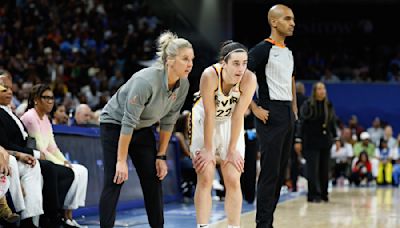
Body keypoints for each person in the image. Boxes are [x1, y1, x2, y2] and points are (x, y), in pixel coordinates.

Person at [99, 31, 193, 228]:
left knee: (153, 178)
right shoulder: (146, 81)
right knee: (115, 179)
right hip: (116, 125)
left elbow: (169, 121)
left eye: (191, 59)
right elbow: (128, 121)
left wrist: (161, 156)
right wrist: (121, 161)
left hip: (143, 128)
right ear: (170, 60)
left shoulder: (183, 84)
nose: (190, 64)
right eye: (185, 59)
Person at [190, 40, 257, 228]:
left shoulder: (250, 79)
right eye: (236, 63)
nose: (241, 68)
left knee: (233, 177)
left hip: (230, 122)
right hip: (204, 120)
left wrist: (233, 149)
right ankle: (202, 226)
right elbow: (210, 114)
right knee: (206, 174)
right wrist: (209, 149)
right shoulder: (209, 75)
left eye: (244, 63)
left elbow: (238, 116)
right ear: (223, 63)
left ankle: (234, 226)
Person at [0, 70, 74, 228]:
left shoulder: (10, 112)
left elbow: (48, 145)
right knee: (46, 167)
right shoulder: (26, 116)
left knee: (45, 169)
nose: (10, 92)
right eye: (4, 88)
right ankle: (47, 217)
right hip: (12, 157)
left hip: (22, 155)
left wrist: (62, 160)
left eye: (10, 88)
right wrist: (32, 154)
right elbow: (5, 143)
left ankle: (34, 219)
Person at [247, 4, 297, 227]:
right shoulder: (261, 49)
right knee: (269, 173)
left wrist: (294, 111)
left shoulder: (288, 52)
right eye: (287, 19)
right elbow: (239, 75)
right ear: (274, 22)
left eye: (293, 19)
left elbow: (291, 81)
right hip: (270, 112)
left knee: (278, 174)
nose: (292, 23)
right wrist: (254, 107)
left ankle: (268, 222)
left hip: (287, 113)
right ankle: (262, 224)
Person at [21, 84, 89, 227]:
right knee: (66, 173)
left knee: (78, 171)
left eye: (52, 98)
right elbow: (39, 147)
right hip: (35, 159)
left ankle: (66, 215)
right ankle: (54, 214)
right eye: (46, 98)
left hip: (47, 159)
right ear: (36, 100)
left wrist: (64, 161)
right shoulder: (30, 117)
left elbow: (52, 146)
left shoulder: (45, 118)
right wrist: (60, 164)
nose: (50, 101)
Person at [295, 82, 339, 202]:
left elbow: (332, 123)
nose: (322, 91)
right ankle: (313, 194)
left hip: (325, 141)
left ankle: (324, 194)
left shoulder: (328, 105)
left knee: (324, 169)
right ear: (314, 91)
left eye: (323, 89)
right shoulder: (308, 105)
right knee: (312, 170)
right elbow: (301, 123)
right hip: (311, 141)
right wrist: (298, 139)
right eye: (319, 89)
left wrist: (336, 138)